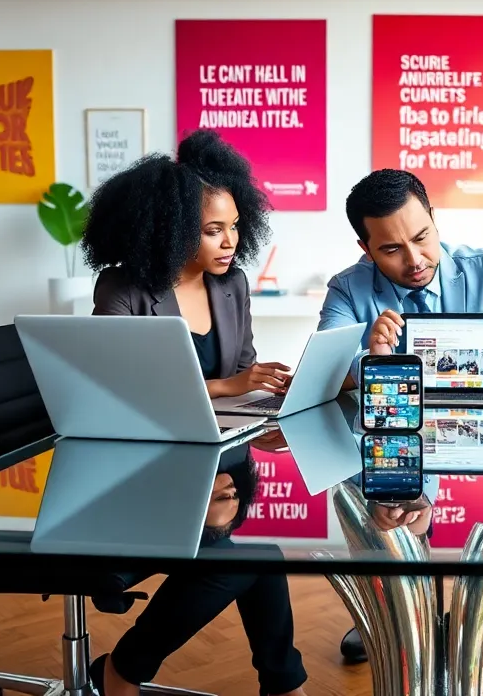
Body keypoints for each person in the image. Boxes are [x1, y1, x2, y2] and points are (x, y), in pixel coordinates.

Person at [79, 129, 309, 696]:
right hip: (136, 475)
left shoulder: (230, 285)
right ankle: (125, 669)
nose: (231, 241)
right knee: (247, 559)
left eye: (235, 226)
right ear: (173, 228)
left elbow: (244, 368)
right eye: (213, 230)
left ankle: (280, 683)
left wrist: (272, 404)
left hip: (217, 464)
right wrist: (229, 384)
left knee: (253, 554)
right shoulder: (124, 288)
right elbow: (123, 388)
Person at [318, 168, 483, 663]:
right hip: (390, 442)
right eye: (391, 249)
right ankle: (388, 604)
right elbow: (322, 373)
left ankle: (451, 608)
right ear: (366, 248)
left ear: (435, 221)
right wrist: (368, 363)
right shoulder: (347, 290)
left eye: (422, 237)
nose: (416, 259)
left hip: (481, 437)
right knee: (375, 492)